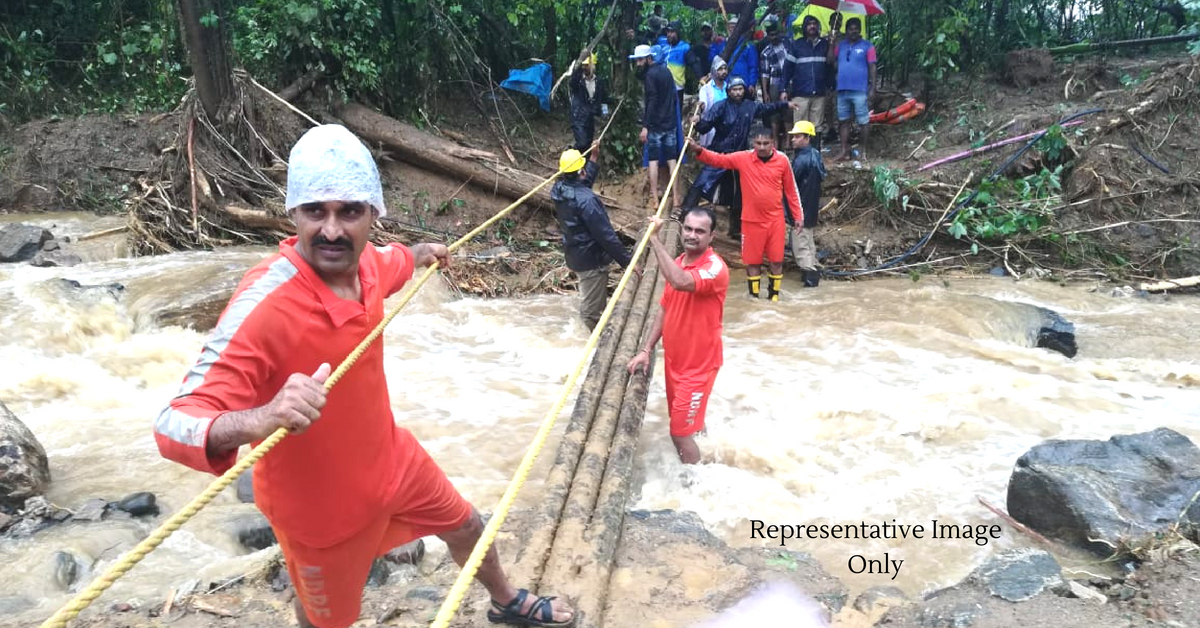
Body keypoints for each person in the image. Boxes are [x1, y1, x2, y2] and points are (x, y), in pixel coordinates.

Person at [153, 125, 576, 628]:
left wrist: (424, 252)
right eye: (316, 211)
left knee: (466, 524)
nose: (331, 230)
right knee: (326, 620)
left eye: (349, 212)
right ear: (293, 214)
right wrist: (264, 417)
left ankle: (505, 601)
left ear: (373, 215)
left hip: (391, 461)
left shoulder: (369, 264)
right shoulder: (264, 304)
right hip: (318, 510)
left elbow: (397, 261)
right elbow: (172, 422)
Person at [626, 207, 728, 465]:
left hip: (699, 367)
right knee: (686, 424)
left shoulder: (714, 268)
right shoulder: (681, 261)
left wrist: (654, 240)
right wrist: (646, 349)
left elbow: (681, 281)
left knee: (679, 434)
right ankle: (708, 451)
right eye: (688, 228)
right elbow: (664, 308)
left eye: (700, 231)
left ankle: (692, 487)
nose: (692, 235)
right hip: (675, 364)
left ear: (711, 236)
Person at [686, 128, 803, 301]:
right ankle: (754, 297)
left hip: (775, 220)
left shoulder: (783, 160)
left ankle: (774, 297)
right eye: (758, 143)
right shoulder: (743, 158)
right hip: (750, 221)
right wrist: (698, 150)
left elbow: (791, 190)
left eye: (766, 143)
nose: (762, 147)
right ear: (752, 143)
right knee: (752, 262)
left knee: (777, 261)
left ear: (773, 143)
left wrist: (798, 216)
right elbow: (719, 160)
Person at [682, 77, 796, 238]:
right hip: (719, 152)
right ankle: (683, 215)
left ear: (744, 90)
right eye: (734, 90)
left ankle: (735, 228)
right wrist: (698, 120)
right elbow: (705, 126)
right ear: (729, 91)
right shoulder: (720, 107)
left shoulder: (750, 106)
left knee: (740, 193)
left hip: (739, 156)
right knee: (701, 183)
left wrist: (785, 104)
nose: (737, 93)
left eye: (740, 89)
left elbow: (768, 107)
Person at [551, 143, 633, 329]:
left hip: (575, 255)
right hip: (591, 260)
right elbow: (606, 235)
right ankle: (596, 347)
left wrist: (593, 160)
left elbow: (580, 186)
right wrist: (628, 262)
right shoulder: (587, 201)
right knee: (590, 313)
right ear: (581, 171)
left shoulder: (558, 189)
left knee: (590, 300)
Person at [631, 43, 682, 210]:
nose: (638, 64)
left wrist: (646, 126)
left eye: (640, 60)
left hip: (656, 126)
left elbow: (652, 100)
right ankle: (675, 197)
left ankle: (654, 199)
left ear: (648, 58)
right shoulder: (666, 72)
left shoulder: (650, 76)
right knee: (672, 160)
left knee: (652, 161)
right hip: (670, 123)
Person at [829, 16, 877, 161]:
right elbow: (830, 61)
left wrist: (873, 88)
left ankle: (863, 151)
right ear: (847, 30)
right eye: (851, 29)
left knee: (863, 121)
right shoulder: (841, 45)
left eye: (856, 28)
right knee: (843, 121)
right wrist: (831, 43)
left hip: (860, 90)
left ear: (860, 30)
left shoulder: (868, 46)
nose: (853, 31)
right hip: (842, 89)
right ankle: (844, 150)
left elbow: (872, 67)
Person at [781, 15, 831, 147]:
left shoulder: (825, 45)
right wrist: (784, 89)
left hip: (819, 92)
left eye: (815, 24)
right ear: (805, 27)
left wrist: (833, 42)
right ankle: (800, 155)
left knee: (817, 126)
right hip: (800, 92)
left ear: (818, 27)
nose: (812, 26)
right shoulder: (797, 45)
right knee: (800, 125)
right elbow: (787, 69)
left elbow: (830, 65)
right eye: (809, 24)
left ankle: (815, 154)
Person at [787, 120, 826, 287]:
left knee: (801, 248)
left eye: (797, 136)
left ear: (807, 138)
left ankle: (810, 284)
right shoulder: (816, 154)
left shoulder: (801, 159)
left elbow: (790, 184)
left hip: (800, 211)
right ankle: (812, 277)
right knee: (808, 244)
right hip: (810, 209)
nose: (793, 140)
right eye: (793, 137)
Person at [758, 21, 790, 149]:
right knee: (774, 115)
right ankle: (776, 141)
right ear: (768, 36)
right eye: (771, 35)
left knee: (788, 113)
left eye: (776, 34)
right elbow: (765, 74)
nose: (774, 37)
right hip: (774, 84)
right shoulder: (766, 52)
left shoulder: (787, 45)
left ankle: (788, 140)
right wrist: (765, 92)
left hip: (788, 82)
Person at [568, 53, 608, 151]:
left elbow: (604, 99)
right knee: (582, 143)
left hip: (591, 117)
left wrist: (605, 112)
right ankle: (570, 154)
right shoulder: (578, 81)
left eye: (587, 65)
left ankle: (584, 164)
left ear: (593, 65)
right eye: (583, 65)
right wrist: (578, 68)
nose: (584, 68)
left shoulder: (599, 82)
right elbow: (572, 83)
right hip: (579, 117)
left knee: (589, 144)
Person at [695, 56, 729, 148]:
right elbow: (704, 103)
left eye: (725, 68)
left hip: (727, 125)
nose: (724, 72)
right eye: (720, 69)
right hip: (712, 126)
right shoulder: (706, 89)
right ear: (714, 70)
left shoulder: (729, 87)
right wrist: (701, 106)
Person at [664, 21, 690, 111]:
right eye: (668, 32)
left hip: (677, 87)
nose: (669, 34)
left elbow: (694, 62)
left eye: (672, 32)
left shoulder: (685, 47)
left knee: (676, 112)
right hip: (663, 85)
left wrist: (701, 77)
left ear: (678, 33)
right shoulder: (663, 45)